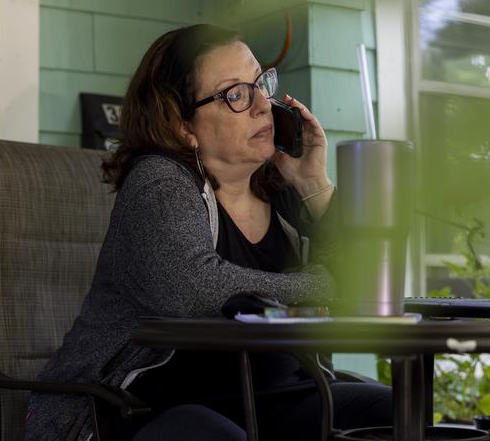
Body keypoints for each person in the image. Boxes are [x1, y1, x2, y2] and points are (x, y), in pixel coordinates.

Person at [24, 24, 392, 440]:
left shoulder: (282, 189)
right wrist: (321, 285)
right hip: (141, 411)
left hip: (277, 400)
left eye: (260, 83)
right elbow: (193, 289)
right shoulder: (160, 182)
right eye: (235, 94)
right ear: (183, 125)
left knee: (400, 411)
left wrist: (314, 185)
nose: (261, 106)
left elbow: (363, 290)